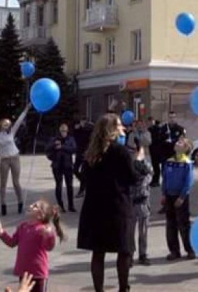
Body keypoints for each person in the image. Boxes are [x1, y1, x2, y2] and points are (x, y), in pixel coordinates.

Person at [78, 113, 144, 292]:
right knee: (124, 250)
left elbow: (84, 178)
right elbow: (133, 178)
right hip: (117, 207)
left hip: (94, 207)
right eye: (120, 125)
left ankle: (98, 290)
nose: (123, 128)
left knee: (98, 252)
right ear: (112, 129)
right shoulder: (120, 151)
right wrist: (138, 161)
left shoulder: (91, 153)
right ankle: (123, 288)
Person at [0, 199, 65, 292]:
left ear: (41, 215)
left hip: (38, 273)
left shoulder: (43, 229)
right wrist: (1, 233)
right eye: (33, 204)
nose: (31, 206)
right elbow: (12, 242)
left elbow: (49, 247)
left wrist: (50, 236)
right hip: (24, 273)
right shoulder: (23, 226)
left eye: (35, 206)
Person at [162, 137, 195, 261]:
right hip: (169, 196)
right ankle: (174, 251)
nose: (177, 143)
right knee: (171, 224)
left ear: (186, 148)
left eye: (181, 143)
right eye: (177, 142)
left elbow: (188, 182)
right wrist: (164, 193)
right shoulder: (169, 161)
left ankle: (190, 249)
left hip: (181, 197)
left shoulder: (187, 163)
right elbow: (165, 178)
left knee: (184, 224)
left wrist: (182, 196)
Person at [128, 132, 154, 266]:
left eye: (134, 149)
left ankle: (142, 254)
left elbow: (149, 177)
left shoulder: (145, 163)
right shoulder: (126, 165)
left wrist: (140, 172)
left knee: (143, 231)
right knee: (130, 231)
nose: (132, 152)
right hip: (131, 202)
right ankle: (130, 255)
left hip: (143, 201)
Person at [46, 123, 77, 213]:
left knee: (69, 186)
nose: (63, 133)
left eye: (65, 131)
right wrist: (54, 146)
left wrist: (62, 147)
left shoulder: (71, 139)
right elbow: (47, 149)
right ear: (59, 131)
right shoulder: (54, 139)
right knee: (58, 186)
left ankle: (71, 205)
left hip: (68, 165)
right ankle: (60, 205)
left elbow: (74, 149)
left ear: (67, 131)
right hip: (57, 165)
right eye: (62, 131)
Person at [73, 119, 93, 198]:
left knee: (84, 172)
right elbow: (75, 136)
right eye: (81, 122)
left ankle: (81, 190)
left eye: (84, 122)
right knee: (75, 170)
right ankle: (84, 182)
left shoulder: (89, 130)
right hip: (79, 153)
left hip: (86, 154)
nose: (82, 123)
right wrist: (76, 128)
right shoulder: (78, 130)